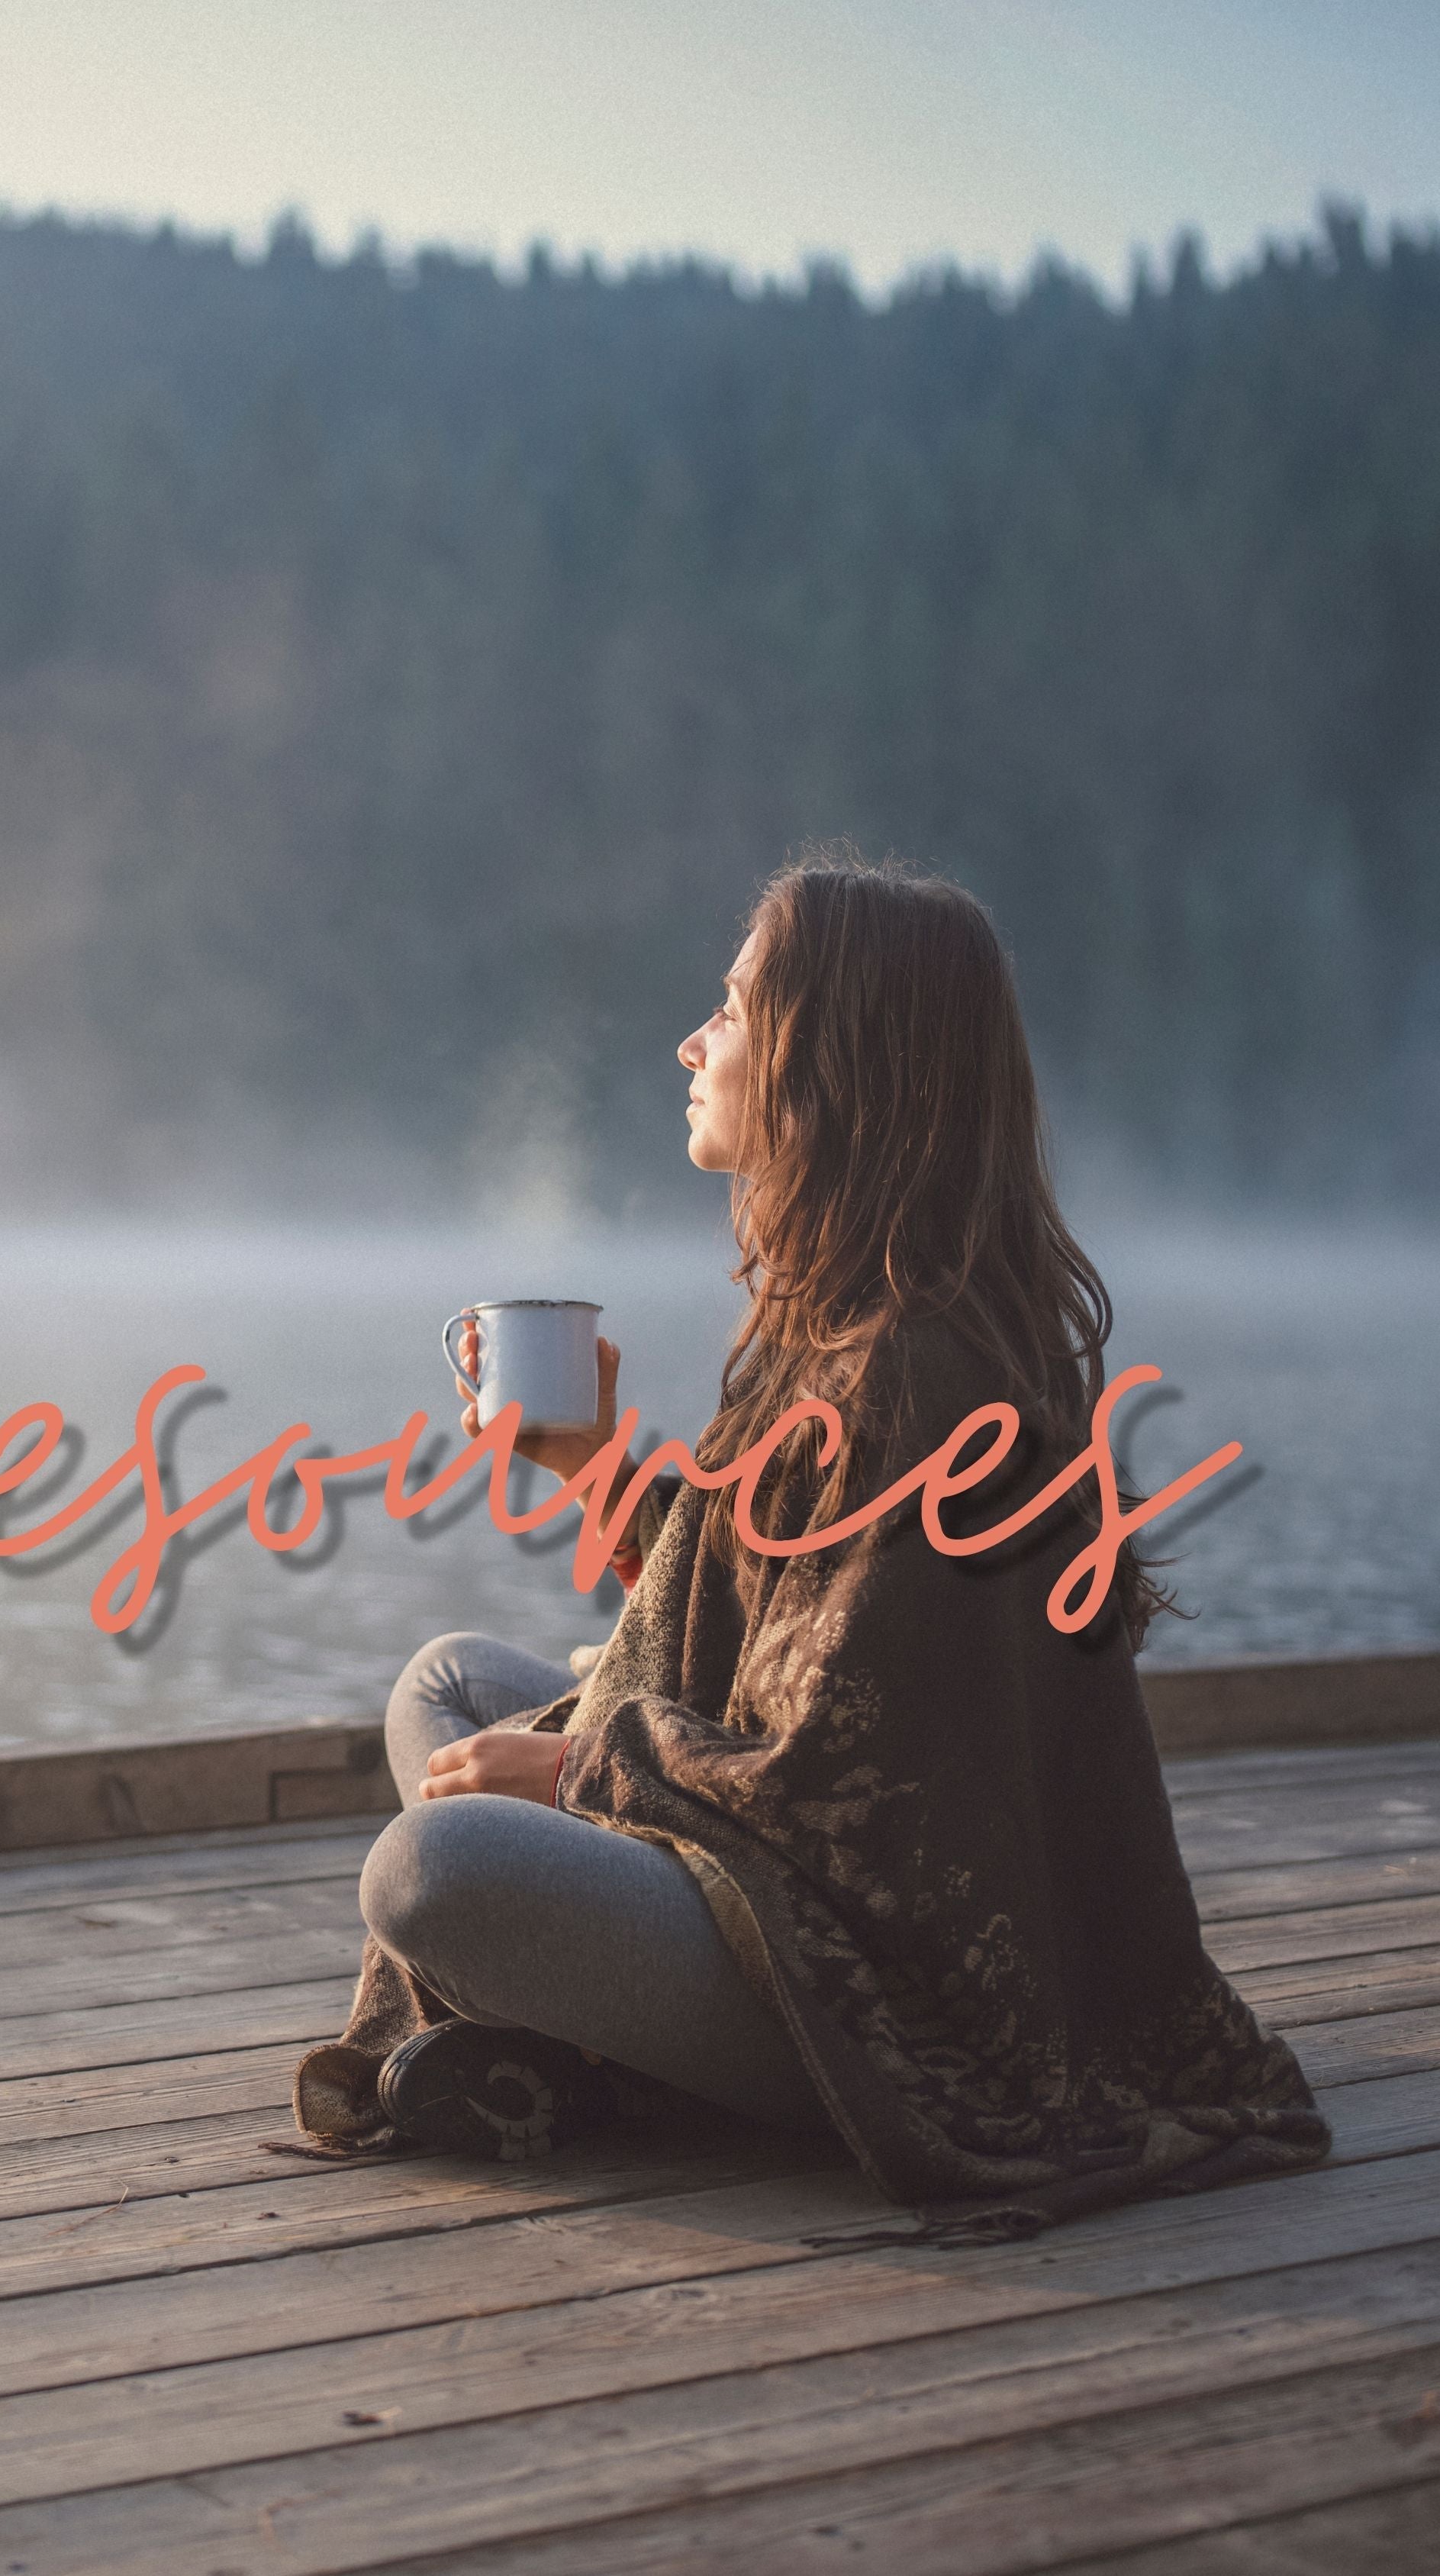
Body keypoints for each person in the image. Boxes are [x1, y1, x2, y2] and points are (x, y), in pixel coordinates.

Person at [291, 850, 1328, 2239]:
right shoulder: (836, 1323)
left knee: (434, 1872)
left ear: (832, 1060)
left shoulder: (923, 1369)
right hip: (779, 1876)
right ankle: (569, 2032)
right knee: (451, 1684)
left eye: (730, 1008)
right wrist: (595, 1463)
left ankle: (607, 2056)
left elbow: (852, 1784)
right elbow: (767, 1619)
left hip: (893, 1993)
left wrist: (583, 1767)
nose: (692, 1041)